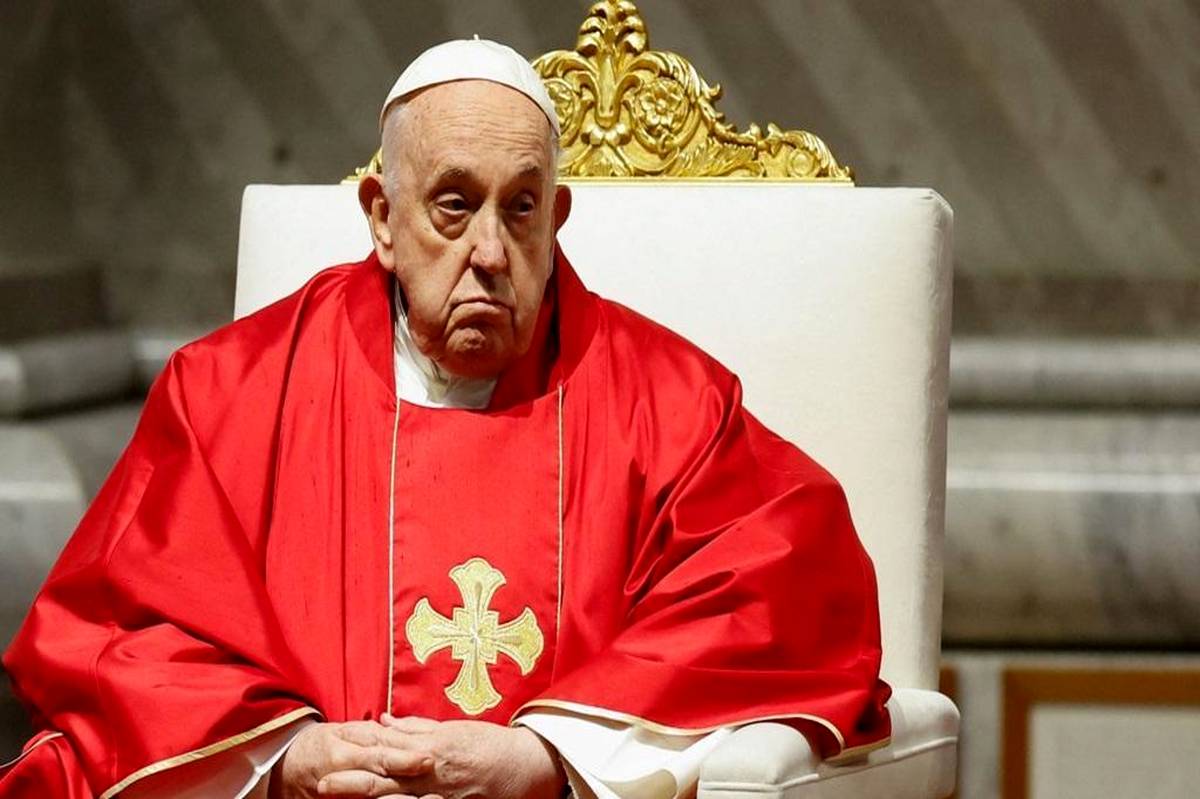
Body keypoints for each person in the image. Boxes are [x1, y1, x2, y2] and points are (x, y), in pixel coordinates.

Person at [0, 39, 889, 799]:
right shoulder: (232, 394)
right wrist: (284, 757)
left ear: (557, 220)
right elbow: (121, 635)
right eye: (455, 205)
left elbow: (786, 584)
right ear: (383, 219)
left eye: (522, 207)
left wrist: (548, 755)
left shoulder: (669, 404)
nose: (491, 252)